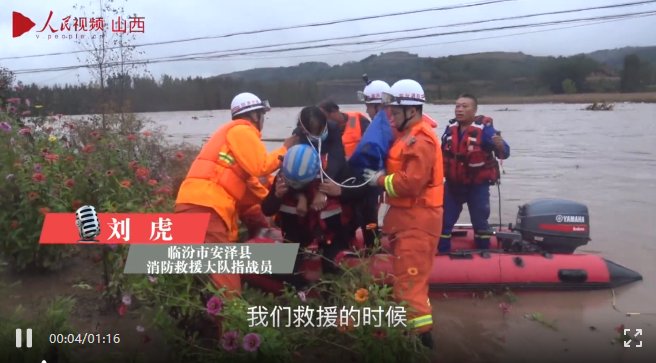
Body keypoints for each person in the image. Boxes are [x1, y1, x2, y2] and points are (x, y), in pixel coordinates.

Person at [175, 92, 297, 297]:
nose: (263, 121)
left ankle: (209, 321)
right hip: (206, 209)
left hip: (194, 205)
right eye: (262, 115)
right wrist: (287, 148)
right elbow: (262, 166)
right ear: (255, 116)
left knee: (204, 280)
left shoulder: (235, 149)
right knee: (227, 284)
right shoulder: (242, 130)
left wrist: (277, 211)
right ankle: (232, 325)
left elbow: (255, 191)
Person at [362, 79, 443, 349]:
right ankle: (414, 338)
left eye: (395, 113)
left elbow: (411, 183)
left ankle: (421, 346)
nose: (391, 118)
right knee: (409, 285)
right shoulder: (407, 135)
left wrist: (379, 180)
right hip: (407, 221)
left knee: (409, 288)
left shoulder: (421, 141)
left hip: (418, 224)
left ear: (412, 110)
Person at [438, 93, 510, 253]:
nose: (459, 109)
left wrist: (500, 146)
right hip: (453, 185)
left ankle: (483, 254)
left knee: (480, 223)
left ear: (474, 110)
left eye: (465, 106)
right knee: (443, 222)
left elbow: (504, 153)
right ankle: (442, 255)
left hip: (477, 186)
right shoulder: (450, 130)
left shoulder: (485, 130)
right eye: (457, 106)